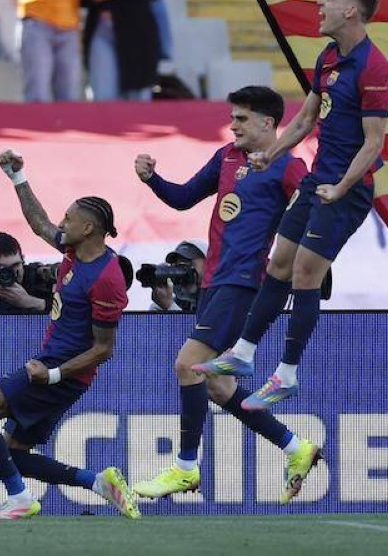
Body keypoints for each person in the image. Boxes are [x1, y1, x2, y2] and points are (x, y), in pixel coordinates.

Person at [193, 0, 388, 412]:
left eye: (328, 0)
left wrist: (340, 187)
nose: (318, 7)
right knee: (278, 263)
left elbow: (374, 142)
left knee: (305, 272)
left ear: (351, 11)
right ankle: (243, 355)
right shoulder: (327, 57)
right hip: (317, 181)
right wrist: (272, 154)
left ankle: (286, 374)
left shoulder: (374, 68)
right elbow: (304, 120)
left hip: (346, 189)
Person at [131, 86, 323, 504]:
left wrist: (302, 266)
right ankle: (296, 447)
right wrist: (152, 179)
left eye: (241, 118)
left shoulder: (288, 167)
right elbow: (183, 198)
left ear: (268, 123)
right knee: (217, 386)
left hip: (243, 282)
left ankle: (185, 469)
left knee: (187, 364)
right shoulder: (226, 158)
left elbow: (316, 212)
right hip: (215, 282)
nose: (232, 125)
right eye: (232, 117)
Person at [0, 148, 138, 520]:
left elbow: (104, 349)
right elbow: (40, 223)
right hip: (56, 369)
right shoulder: (74, 251)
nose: (62, 222)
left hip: (62, 372)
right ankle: (97, 483)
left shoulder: (107, 278)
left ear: (88, 228)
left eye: (69, 218)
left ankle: (20, 498)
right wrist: (18, 177)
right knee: (12, 455)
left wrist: (52, 374)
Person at [147, 240, 206, 312]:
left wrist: (169, 306)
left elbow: (203, 323)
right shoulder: (181, 302)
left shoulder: (218, 298)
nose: (182, 272)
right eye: (177, 266)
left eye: (188, 263)